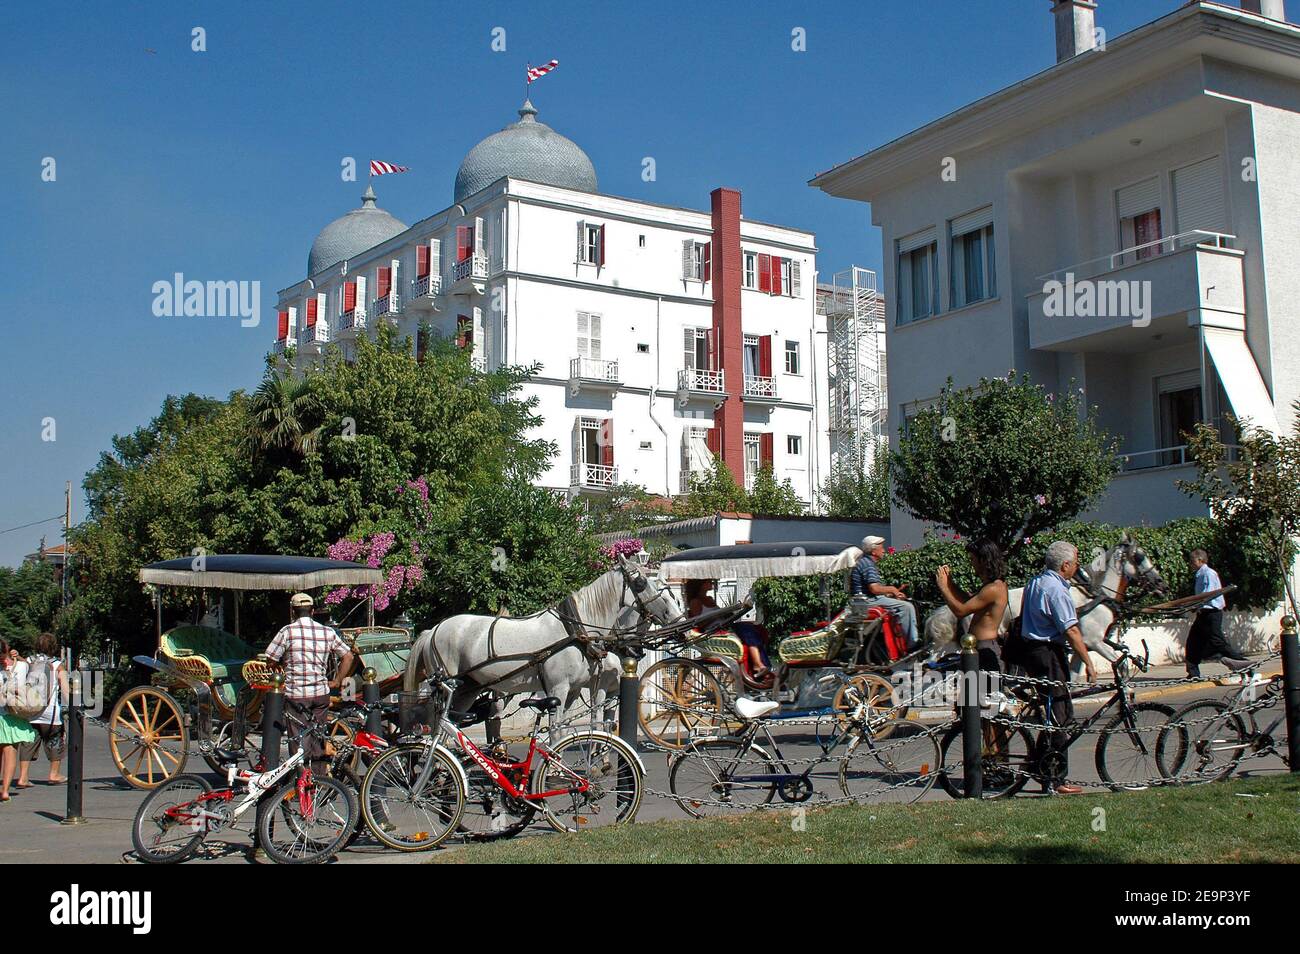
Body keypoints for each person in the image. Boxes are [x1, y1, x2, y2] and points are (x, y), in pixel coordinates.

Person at [1017, 541, 1096, 796]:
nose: (1077, 566)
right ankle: (1054, 778)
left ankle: (1038, 766)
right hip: (1049, 653)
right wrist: (1088, 661)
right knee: (1059, 716)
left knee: (1053, 713)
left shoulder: (1036, 582)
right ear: (1065, 565)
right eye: (1075, 562)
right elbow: (1070, 629)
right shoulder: (1057, 590)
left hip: (1033, 652)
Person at [264, 593, 355, 774]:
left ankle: (301, 781)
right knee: (317, 737)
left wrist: (281, 665)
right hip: (320, 694)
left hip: (296, 695)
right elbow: (348, 656)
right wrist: (337, 680)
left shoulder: (287, 631)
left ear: (293, 612)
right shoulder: (327, 632)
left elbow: (270, 659)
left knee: (299, 740)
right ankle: (318, 780)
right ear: (312, 611)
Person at [935, 539, 1009, 673]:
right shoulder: (991, 586)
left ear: (983, 560)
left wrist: (944, 587)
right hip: (978, 648)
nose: (971, 563)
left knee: (984, 692)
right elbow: (968, 601)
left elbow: (961, 611)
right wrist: (950, 584)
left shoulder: (993, 588)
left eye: (973, 559)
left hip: (986, 649)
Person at [683, 579, 771, 681]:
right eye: (708, 581)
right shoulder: (695, 602)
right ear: (700, 585)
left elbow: (723, 616)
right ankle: (758, 665)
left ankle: (762, 667)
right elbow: (698, 623)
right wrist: (716, 616)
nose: (712, 582)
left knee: (752, 628)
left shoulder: (710, 599)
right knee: (747, 630)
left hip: (725, 626)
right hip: (713, 631)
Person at [1185, 549, 1250, 679]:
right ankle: (1193, 674)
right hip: (1203, 613)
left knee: (1218, 642)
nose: (1190, 564)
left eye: (1192, 561)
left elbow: (1208, 594)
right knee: (1193, 642)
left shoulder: (1209, 573)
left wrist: (1194, 603)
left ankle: (1246, 666)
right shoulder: (1200, 574)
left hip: (1212, 613)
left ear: (1200, 560)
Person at [17, 632, 69, 787]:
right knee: (55, 739)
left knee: (28, 742)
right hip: (50, 712)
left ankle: (23, 777)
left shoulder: (29, 661)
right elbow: (65, 690)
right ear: (53, 647)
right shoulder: (57, 665)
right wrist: (72, 704)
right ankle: (54, 774)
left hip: (31, 710)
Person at [850, 535, 919, 648]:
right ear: (873, 551)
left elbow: (872, 590)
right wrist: (892, 589)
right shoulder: (867, 564)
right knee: (907, 607)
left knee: (902, 604)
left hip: (867, 599)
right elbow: (874, 588)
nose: (884, 550)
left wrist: (892, 593)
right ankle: (912, 644)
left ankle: (899, 643)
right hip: (867, 602)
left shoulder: (866, 562)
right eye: (881, 547)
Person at [0, 639, 38, 802]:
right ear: (7, 648)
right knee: (10, 751)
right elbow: (35, 668)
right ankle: (5, 790)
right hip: (14, 713)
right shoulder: (21, 666)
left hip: (1, 713)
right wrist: (19, 657)